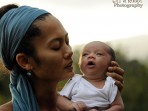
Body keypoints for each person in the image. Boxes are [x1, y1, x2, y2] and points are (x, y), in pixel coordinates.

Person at [0, 4, 124, 111]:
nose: (69, 51)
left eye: (67, 42)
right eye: (56, 46)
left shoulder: (80, 105)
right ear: (25, 61)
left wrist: (105, 97)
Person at [58, 41, 124, 111]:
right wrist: (70, 105)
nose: (90, 56)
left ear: (111, 64)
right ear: (79, 63)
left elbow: (119, 106)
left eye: (99, 54)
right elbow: (59, 99)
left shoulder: (110, 84)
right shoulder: (75, 80)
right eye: (85, 54)